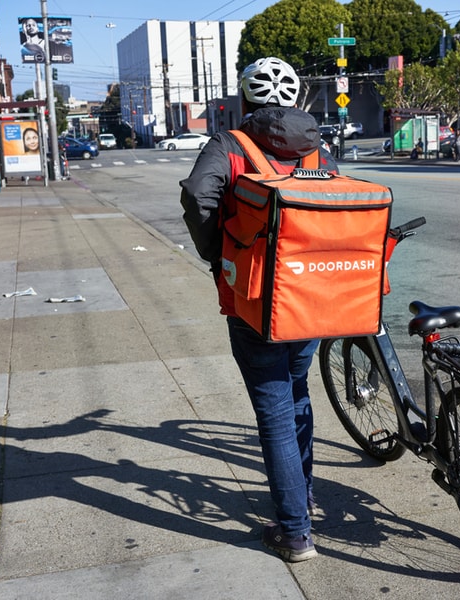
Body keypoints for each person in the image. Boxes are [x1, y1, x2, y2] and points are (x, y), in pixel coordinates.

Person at [179, 57, 338, 563]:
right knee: (297, 392)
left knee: (273, 410)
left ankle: (294, 532)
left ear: (245, 99)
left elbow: (197, 196)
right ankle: (306, 495)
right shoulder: (317, 148)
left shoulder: (231, 144)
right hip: (309, 297)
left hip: (254, 301)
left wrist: (216, 254)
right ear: (295, 100)